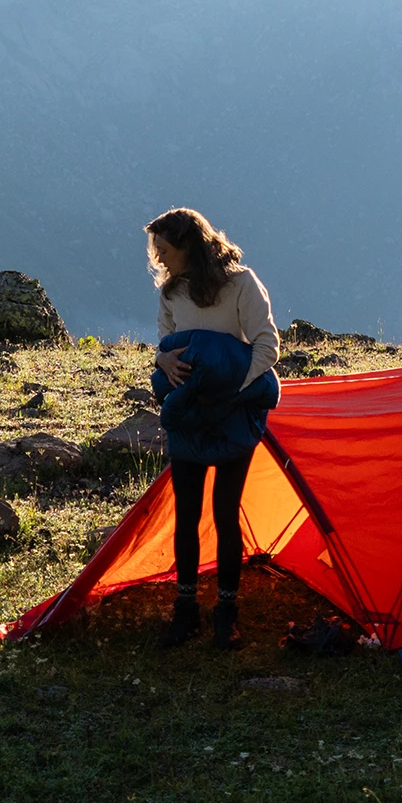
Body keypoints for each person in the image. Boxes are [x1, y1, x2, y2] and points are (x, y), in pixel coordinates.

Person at [146, 207, 280, 649]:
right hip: (189, 414)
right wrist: (163, 361)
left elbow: (267, 344)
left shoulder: (241, 284)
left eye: (165, 250)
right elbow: (166, 344)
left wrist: (232, 389)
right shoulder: (171, 293)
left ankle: (227, 613)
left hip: (232, 414)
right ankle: (186, 612)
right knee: (186, 514)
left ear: (187, 245)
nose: (160, 259)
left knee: (226, 511)